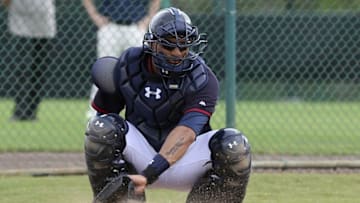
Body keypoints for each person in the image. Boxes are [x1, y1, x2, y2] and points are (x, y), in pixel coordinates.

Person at [84, 7, 252, 203]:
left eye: (183, 47)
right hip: (141, 153)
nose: (177, 53)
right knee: (101, 129)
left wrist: (150, 173)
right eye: (169, 46)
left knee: (234, 145)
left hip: (184, 160)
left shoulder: (202, 78)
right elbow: (103, 118)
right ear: (153, 44)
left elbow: (187, 133)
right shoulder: (129, 64)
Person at [82, 0, 161, 119]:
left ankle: (142, 110)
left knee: (140, 70)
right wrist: (95, 16)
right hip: (110, 26)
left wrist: (147, 20)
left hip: (135, 27)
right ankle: (96, 112)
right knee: (104, 70)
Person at [2, 0, 56, 121]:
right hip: (20, 24)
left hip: (44, 24)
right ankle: (20, 111)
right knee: (22, 69)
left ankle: (32, 111)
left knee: (39, 70)